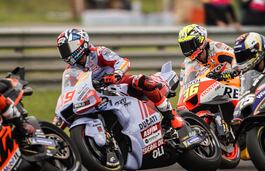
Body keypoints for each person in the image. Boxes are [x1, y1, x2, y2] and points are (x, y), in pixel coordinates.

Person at [56, 28, 201, 151]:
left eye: (67, 48)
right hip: (97, 94)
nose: (65, 53)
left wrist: (117, 74)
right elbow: (71, 90)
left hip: (117, 84)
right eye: (62, 50)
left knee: (143, 81)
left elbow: (122, 61)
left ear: (80, 43)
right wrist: (56, 125)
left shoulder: (98, 52)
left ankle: (173, 117)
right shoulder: (71, 70)